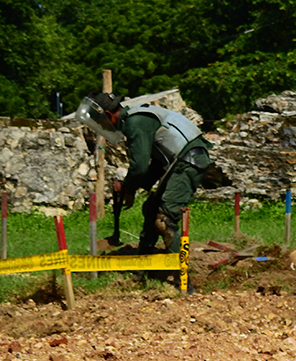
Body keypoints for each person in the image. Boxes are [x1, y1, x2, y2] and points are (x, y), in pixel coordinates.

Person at [76, 92, 212, 252]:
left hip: (189, 161)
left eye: (100, 123)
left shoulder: (135, 123)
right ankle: (145, 260)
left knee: (165, 218)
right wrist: (130, 187)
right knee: (151, 209)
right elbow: (157, 162)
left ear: (108, 115)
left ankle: (180, 272)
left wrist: (128, 188)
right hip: (181, 160)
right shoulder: (136, 118)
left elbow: (139, 166)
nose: (103, 128)